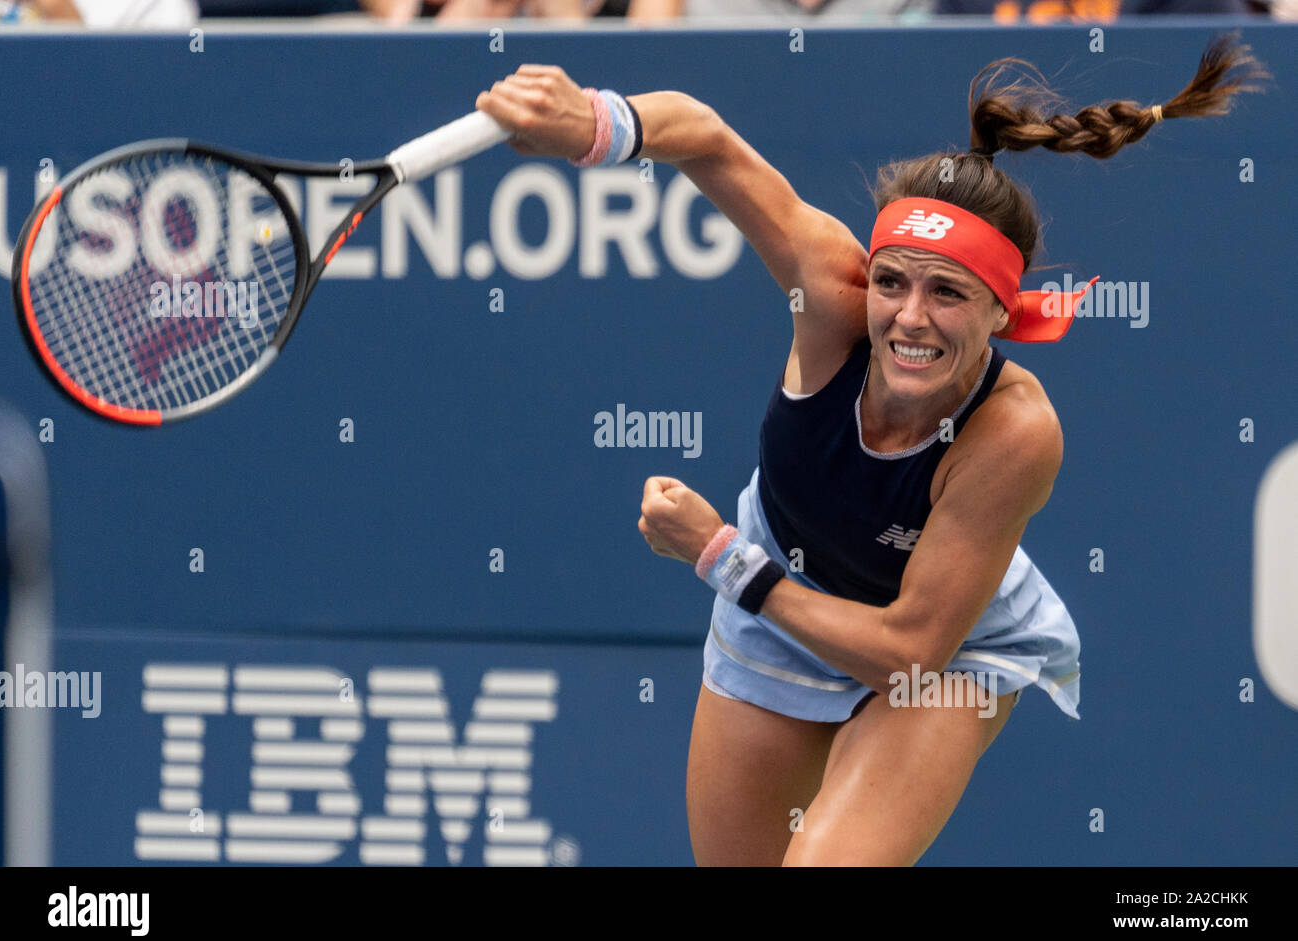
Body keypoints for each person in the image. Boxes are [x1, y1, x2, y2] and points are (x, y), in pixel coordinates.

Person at [474, 35, 1267, 866]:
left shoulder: (1016, 431)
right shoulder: (828, 292)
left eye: (948, 292)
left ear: (1003, 310)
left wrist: (719, 558)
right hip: (783, 595)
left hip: (945, 649)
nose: (909, 318)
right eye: (892, 281)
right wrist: (597, 124)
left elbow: (908, 652)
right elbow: (703, 136)